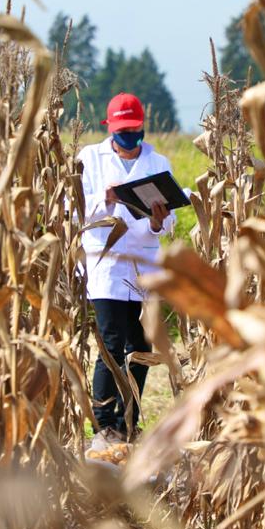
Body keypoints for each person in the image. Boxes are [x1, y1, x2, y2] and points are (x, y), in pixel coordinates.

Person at [77, 92, 175, 452]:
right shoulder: (89, 159)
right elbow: (76, 213)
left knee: (141, 346)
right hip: (105, 264)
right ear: (110, 128)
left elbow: (169, 223)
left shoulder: (158, 162)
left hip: (145, 266)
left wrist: (156, 221)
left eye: (134, 130)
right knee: (111, 345)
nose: (129, 137)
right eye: (122, 131)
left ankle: (127, 422)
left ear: (142, 126)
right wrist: (106, 199)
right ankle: (103, 427)